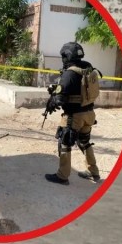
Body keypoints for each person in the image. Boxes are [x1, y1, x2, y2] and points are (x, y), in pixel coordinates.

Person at [45, 41, 101, 185]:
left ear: (67, 56)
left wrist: (52, 102)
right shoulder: (88, 67)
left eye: (64, 56)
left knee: (64, 142)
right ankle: (93, 171)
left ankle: (62, 176)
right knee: (84, 142)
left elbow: (59, 99)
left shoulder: (70, 73)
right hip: (89, 113)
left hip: (74, 116)